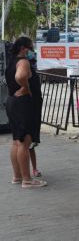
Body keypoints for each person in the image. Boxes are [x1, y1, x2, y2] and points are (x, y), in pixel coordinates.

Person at [5, 37, 47, 188]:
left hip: (12, 103)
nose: (32, 51)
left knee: (17, 141)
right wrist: (26, 88)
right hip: (24, 105)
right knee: (24, 142)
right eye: (31, 48)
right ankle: (27, 180)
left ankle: (17, 176)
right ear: (24, 48)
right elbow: (21, 76)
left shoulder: (12, 61)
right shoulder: (23, 62)